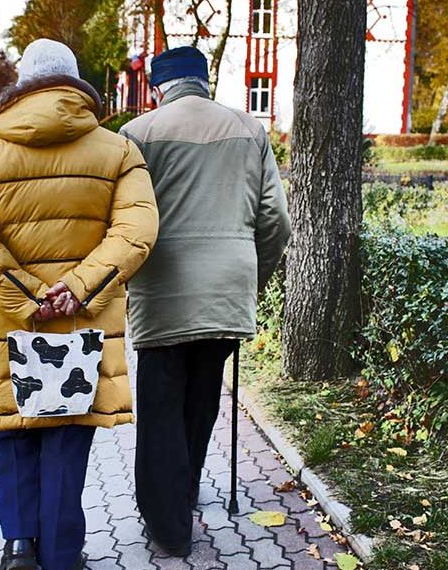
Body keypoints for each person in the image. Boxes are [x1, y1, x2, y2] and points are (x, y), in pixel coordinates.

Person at [0, 39, 158, 570]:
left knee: (14, 427)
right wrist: (79, 287)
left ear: (22, 83)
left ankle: (19, 545)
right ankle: (64, 553)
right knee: (67, 431)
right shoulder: (117, 150)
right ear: (75, 82)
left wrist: (25, 297)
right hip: (82, 322)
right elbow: (136, 229)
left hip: (10, 322)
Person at [119, 46, 292, 556]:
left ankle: (169, 525)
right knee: (201, 397)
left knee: (160, 405)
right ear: (204, 81)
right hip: (227, 288)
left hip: (163, 290)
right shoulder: (249, 129)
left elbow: (125, 218)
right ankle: (187, 486)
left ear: (158, 87)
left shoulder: (138, 133)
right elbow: (276, 221)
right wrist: (250, 277)